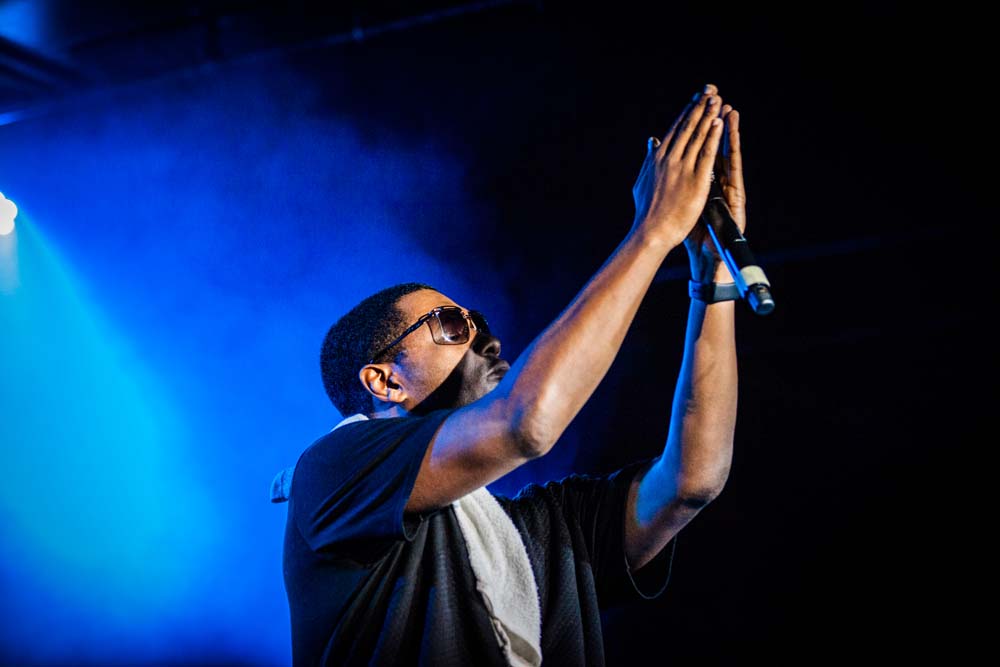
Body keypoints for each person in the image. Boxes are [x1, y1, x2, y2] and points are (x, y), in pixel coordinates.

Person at [272, 82, 744, 666]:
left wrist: (713, 281)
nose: (488, 340)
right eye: (452, 326)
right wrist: (651, 232)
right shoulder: (334, 469)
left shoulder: (537, 532)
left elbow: (693, 480)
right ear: (386, 382)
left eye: (480, 323)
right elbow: (526, 423)